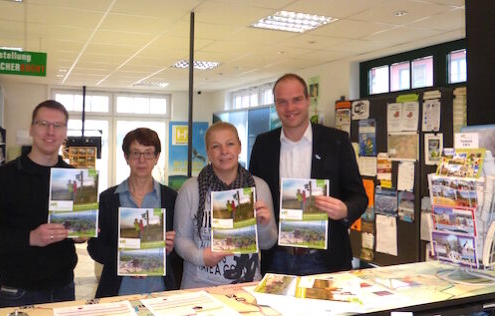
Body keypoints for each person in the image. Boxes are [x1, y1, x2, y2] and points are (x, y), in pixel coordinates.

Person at [249, 73, 367, 275]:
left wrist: (345, 210)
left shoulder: (336, 141)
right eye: (282, 102)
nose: (290, 108)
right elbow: (253, 191)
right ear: (276, 105)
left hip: (325, 258)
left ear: (308, 101)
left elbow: (359, 197)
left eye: (296, 100)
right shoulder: (263, 144)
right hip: (276, 257)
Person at [0, 100, 78, 307]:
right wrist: (30, 237)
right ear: (31, 128)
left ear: (65, 132)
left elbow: (76, 232)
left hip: (64, 289)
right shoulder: (3, 177)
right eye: (43, 123)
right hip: (17, 292)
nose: (50, 131)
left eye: (58, 125)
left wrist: (81, 235)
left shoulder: (75, 178)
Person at [174, 122, 277, 289]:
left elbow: (267, 243)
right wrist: (201, 257)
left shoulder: (259, 187)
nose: (224, 152)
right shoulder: (190, 189)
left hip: (247, 285)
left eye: (230, 144)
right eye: (216, 146)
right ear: (207, 152)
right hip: (199, 285)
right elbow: (180, 238)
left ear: (239, 147)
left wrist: (264, 225)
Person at [87, 128, 181, 297]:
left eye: (148, 153)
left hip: (159, 292)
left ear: (157, 158)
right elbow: (95, 248)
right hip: (117, 293)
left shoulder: (171, 198)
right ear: (126, 157)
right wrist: (125, 259)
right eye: (136, 153)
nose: (142, 160)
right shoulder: (108, 199)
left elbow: (178, 252)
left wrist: (172, 248)